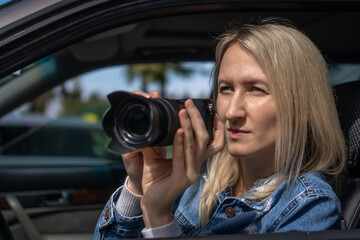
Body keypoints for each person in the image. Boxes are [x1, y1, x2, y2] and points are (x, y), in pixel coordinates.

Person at [93, 18, 346, 239]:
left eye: (256, 89)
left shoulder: (309, 205)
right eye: (226, 89)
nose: (231, 112)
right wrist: (137, 189)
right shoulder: (199, 181)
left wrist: (159, 218)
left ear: (302, 108)